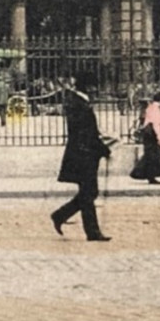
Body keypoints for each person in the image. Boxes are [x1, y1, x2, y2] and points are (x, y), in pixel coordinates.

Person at [50, 75, 112, 242]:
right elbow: (85, 133)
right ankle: (92, 232)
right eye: (93, 88)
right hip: (84, 155)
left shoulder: (77, 101)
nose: (95, 91)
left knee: (89, 192)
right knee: (89, 193)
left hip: (83, 153)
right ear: (87, 88)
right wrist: (103, 148)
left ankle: (60, 215)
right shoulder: (78, 104)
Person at [129, 90, 160, 185]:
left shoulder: (150, 107)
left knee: (150, 155)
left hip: (147, 134)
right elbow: (156, 124)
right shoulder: (156, 109)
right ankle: (146, 175)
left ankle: (149, 176)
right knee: (153, 156)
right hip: (152, 134)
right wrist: (159, 137)